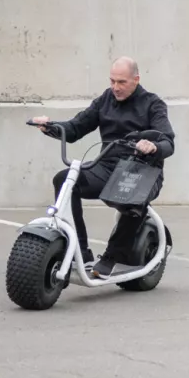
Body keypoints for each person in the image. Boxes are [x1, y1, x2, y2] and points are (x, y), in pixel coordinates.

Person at [31, 56, 174, 276]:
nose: (115, 87)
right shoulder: (106, 99)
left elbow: (168, 142)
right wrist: (49, 126)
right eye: (112, 81)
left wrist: (152, 146)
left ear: (136, 79)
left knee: (130, 198)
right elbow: (75, 128)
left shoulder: (152, 104)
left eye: (121, 82)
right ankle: (80, 250)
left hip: (141, 170)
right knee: (65, 179)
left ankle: (111, 258)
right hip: (107, 166)